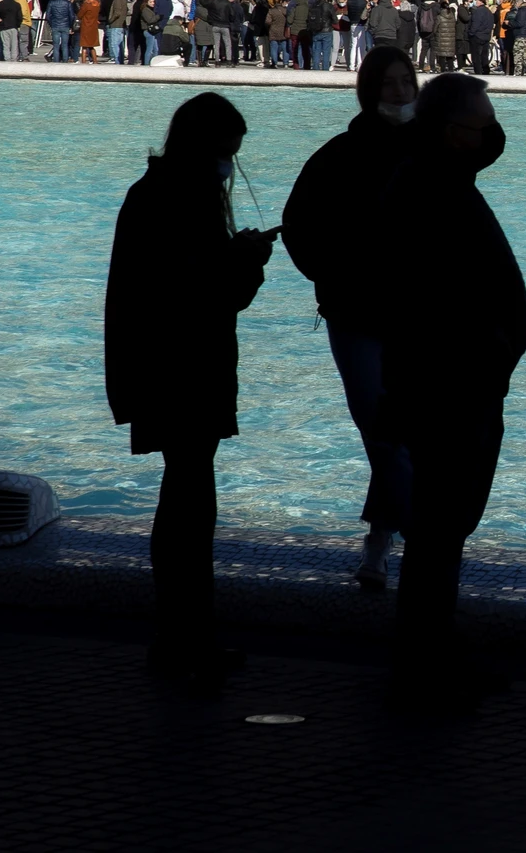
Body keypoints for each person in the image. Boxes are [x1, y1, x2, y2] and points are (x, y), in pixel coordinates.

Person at [105, 92, 275, 693]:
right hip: (184, 372)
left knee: (185, 498)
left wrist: (232, 256)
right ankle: (182, 639)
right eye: (228, 152)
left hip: (158, 369)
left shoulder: (153, 191)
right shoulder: (186, 198)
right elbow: (208, 291)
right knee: (189, 505)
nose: (232, 164)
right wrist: (248, 260)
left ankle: (182, 635)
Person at [378, 72, 526, 714]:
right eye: (481, 126)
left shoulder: (439, 180)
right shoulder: (429, 190)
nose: (492, 135)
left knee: (443, 526)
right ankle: (425, 658)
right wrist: (489, 347)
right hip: (449, 386)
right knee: (440, 525)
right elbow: (436, 299)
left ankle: (430, 648)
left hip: (458, 381)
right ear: (451, 135)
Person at [282, 46, 420, 591]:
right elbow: (297, 224)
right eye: (387, 84)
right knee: (381, 432)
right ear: (368, 89)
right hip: (355, 315)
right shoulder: (339, 154)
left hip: (418, 319)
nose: (398, 92)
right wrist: (331, 279)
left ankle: (381, 542)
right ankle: (410, 537)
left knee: (401, 435)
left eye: (405, 82)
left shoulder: (434, 152)